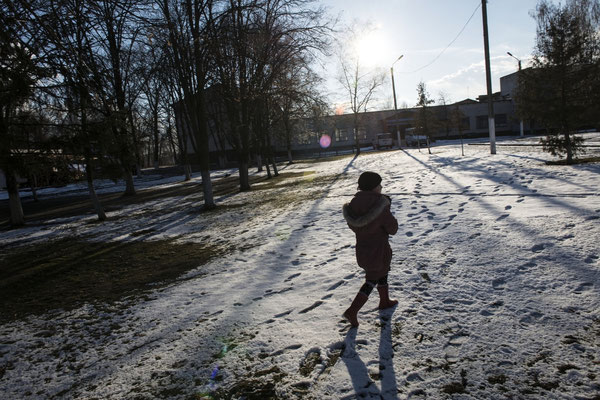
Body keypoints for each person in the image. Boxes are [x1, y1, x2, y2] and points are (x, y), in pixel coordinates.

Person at [342, 171, 399, 327]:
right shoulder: (380, 205)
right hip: (379, 251)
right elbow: (393, 228)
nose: (381, 187)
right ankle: (352, 311)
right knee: (371, 280)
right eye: (379, 185)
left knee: (381, 273)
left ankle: (384, 301)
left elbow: (358, 227)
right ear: (374, 187)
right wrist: (387, 209)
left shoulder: (353, 205)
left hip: (363, 251)